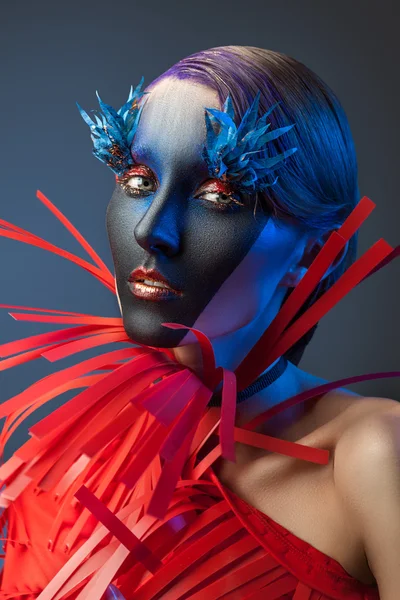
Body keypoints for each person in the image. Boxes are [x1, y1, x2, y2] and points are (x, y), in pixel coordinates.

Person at [0, 45, 398, 599]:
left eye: (219, 194)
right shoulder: (72, 455)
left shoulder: (376, 453)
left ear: (311, 256)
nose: (151, 231)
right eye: (138, 180)